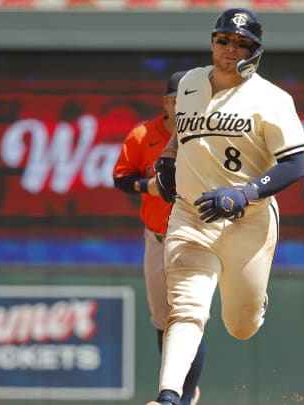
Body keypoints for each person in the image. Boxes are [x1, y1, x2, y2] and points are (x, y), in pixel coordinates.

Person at [146, 7, 304, 405]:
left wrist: (247, 192)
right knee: (184, 310)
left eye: (242, 43)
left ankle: (255, 300)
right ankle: (170, 397)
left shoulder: (272, 98)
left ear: (256, 50)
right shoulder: (188, 84)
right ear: (212, 42)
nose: (230, 49)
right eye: (223, 40)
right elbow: (181, 137)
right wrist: (167, 158)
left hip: (247, 220)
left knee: (242, 326)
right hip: (190, 214)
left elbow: (295, 163)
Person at [111, 71, 205, 405]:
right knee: (164, 319)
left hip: (195, 238)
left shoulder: (208, 135)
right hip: (157, 238)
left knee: (189, 315)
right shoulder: (142, 135)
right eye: (175, 100)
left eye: (187, 100)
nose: (180, 106)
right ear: (165, 102)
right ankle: (176, 391)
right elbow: (121, 178)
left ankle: (182, 396)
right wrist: (144, 185)